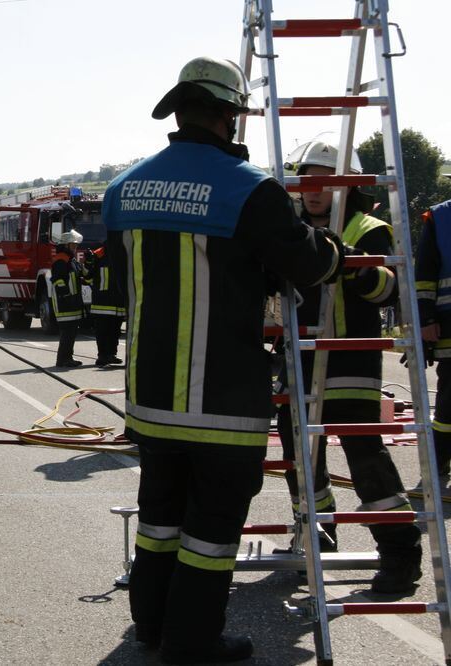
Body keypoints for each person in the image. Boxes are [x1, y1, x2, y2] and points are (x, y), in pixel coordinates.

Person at [102, 56, 344, 663]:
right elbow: (308, 264)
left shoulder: (123, 189)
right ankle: (191, 642)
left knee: (160, 519)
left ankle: (152, 629)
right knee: (211, 531)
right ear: (231, 115)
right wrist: (335, 250)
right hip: (222, 399)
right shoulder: (249, 188)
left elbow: (118, 283)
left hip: (150, 395)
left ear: (179, 109)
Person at [274, 140, 421, 593]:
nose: (314, 191)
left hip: (350, 358)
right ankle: (317, 533)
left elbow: (390, 292)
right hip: (297, 358)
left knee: (364, 456)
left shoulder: (370, 228)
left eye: (324, 180)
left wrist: (353, 265)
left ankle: (400, 551)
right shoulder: (289, 228)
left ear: (346, 185)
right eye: (306, 181)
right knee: (299, 453)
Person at [415, 199, 451, 482]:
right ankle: (439, 465)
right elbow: (425, 272)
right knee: (450, 401)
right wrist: (426, 319)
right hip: (448, 325)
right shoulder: (440, 217)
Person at [84, 244, 124, 367]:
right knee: (102, 331)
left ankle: (111, 355)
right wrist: (88, 263)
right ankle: (102, 356)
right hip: (102, 303)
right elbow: (87, 277)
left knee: (115, 331)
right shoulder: (98, 255)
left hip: (118, 304)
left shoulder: (124, 254)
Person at [51, 230, 85, 367]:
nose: (75, 248)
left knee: (71, 333)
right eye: (73, 246)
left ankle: (68, 358)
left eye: (76, 246)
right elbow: (58, 280)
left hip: (72, 303)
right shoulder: (61, 260)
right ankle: (63, 360)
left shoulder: (71, 260)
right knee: (67, 333)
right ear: (65, 245)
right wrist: (65, 295)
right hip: (64, 303)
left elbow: (80, 276)